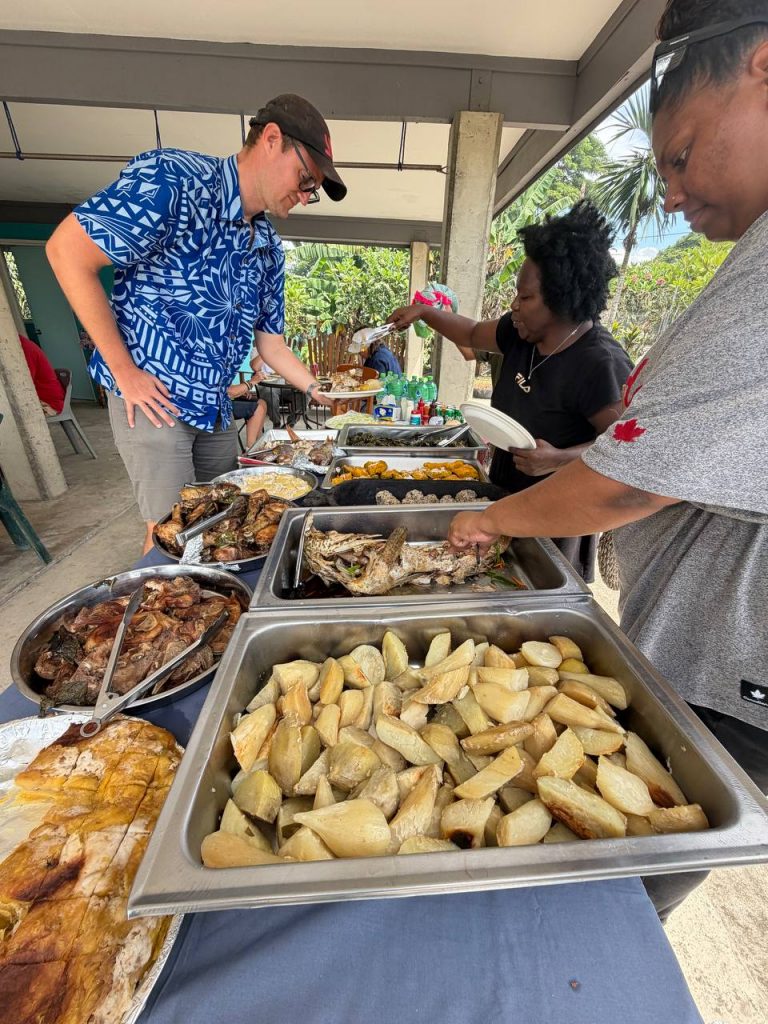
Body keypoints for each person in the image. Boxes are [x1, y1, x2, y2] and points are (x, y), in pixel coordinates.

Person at [445, 0, 768, 918]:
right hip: (701, 663)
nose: (668, 190)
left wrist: (486, 519)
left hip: (735, 684)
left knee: (598, 911)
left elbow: (625, 482)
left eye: (680, 153)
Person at [45, 94, 344, 552]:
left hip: (216, 405)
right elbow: (66, 251)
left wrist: (317, 388)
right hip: (155, 401)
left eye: (313, 190)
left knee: (226, 526)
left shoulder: (265, 244)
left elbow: (271, 343)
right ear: (271, 140)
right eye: (306, 179)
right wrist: (124, 373)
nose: (306, 196)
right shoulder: (176, 181)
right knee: (171, 534)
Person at [388, 201, 632, 580]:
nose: (514, 305)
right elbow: (470, 333)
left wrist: (560, 458)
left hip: (556, 514)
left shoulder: (599, 364)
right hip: (503, 496)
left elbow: (624, 449)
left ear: (562, 298)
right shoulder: (521, 334)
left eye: (527, 297)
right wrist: (425, 314)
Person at [18, 334, 65, 416]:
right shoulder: (21, 345)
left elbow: (25, 382)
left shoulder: (25, 348)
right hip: (43, 396)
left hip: (49, 402)